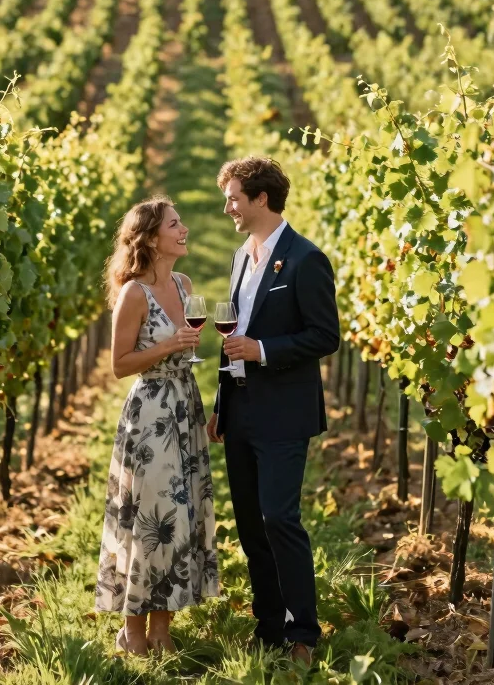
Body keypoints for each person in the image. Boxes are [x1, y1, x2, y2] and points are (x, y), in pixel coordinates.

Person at [207, 156, 340, 666]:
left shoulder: (306, 259)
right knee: (249, 524)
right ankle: (269, 625)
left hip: (284, 412)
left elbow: (325, 336)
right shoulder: (243, 256)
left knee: (279, 517)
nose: (228, 208)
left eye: (234, 198)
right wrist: (221, 403)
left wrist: (261, 350)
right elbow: (229, 337)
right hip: (240, 410)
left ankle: (302, 632)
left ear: (261, 199)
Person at [95, 196, 218, 656]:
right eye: (174, 224)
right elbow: (119, 365)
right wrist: (169, 348)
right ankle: (132, 627)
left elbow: (187, 347)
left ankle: (162, 627)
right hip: (150, 415)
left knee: (178, 516)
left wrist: (185, 348)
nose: (183, 229)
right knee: (148, 518)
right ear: (150, 238)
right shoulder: (133, 293)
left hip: (185, 407)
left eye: (181, 222)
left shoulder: (185, 285)